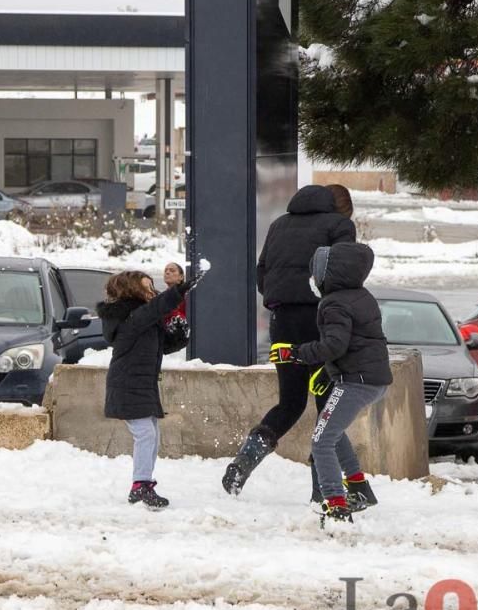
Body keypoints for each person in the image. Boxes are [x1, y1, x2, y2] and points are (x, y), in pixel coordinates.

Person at [222, 185, 356, 495]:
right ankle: (321, 490)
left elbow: (262, 270)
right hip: (320, 320)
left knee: (291, 402)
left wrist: (281, 299)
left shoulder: (279, 224)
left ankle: (245, 460)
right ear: (342, 207)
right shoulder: (340, 226)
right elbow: (343, 272)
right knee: (328, 405)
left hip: (282, 323)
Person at [269, 242, 391, 523]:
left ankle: (336, 503)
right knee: (333, 433)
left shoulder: (334, 303)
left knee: (321, 441)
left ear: (327, 274)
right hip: (370, 378)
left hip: (356, 381)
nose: (312, 280)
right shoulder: (360, 296)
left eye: (315, 273)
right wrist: (327, 372)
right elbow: (359, 341)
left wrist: (295, 353)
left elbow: (334, 345)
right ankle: (358, 488)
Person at [97, 270, 199, 509]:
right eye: (147, 287)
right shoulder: (129, 318)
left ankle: (143, 484)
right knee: (146, 434)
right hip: (128, 384)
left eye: (153, 286)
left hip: (142, 384)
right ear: (133, 291)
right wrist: (179, 290)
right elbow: (153, 310)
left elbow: (162, 345)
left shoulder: (144, 319)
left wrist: (181, 334)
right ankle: (140, 485)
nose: (153, 291)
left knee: (152, 434)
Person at [162, 262, 189, 351]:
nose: (167, 272)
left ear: (181, 277)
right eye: (166, 270)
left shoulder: (186, 294)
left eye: (172, 270)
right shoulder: (162, 296)